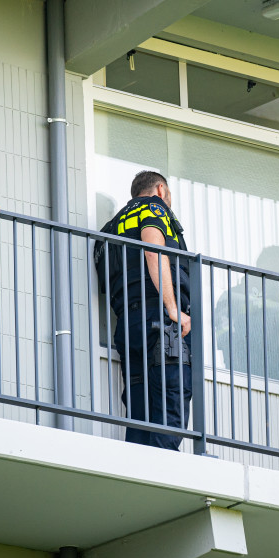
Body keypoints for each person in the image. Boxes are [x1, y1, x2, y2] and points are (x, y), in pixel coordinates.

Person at [103, 170, 193, 450]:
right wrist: (173, 309)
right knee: (172, 394)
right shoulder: (154, 208)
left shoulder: (113, 225)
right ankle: (164, 469)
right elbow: (153, 248)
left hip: (128, 323)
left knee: (139, 405)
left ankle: (140, 465)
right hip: (159, 319)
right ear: (160, 189)